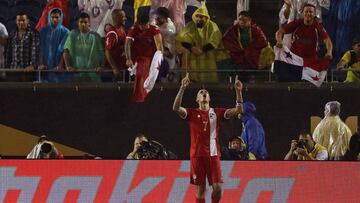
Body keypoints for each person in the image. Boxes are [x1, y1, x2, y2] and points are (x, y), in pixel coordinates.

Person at [173, 73, 244, 203]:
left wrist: (238, 92)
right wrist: (182, 88)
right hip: (197, 156)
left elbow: (238, 110)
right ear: (197, 99)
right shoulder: (191, 113)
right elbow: (176, 108)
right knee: (200, 191)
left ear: (209, 98)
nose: (204, 93)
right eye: (201, 92)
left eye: (206, 92)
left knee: (217, 189)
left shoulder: (217, 113)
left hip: (213, 155)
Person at [176, 2, 222, 83]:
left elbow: (215, 40)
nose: (198, 19)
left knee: (209, 79)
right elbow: (182, 39)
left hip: (208, 55)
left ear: (206, 17)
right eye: (197, 16)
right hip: (193, 55)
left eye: (201, 17)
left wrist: (202, 50)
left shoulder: (212, 26)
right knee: (193, 79)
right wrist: (192, 48)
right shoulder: (190, 25)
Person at [125, 12, 163, 102]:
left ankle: (147, 94)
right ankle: (139, 97)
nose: (145, 27)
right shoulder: (133, 29)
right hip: (138, 58)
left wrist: (158, 60)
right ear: (139, 24)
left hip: (151, 58)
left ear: (148, 22)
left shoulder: (154, 29)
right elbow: (127, 44)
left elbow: (159, 46)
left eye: (146, 24)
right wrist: (128, 59)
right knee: (140, 74)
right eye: (142, 25)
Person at [63, 12, 104, 82]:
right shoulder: (72, 34)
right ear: (77, 23)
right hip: (77, 73)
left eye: (85, 22)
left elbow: (103, 52)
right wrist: (68, 66)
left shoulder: (96, 36)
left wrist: (102, 66)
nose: (83, 24)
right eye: (81, 22)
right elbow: (65, 51)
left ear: (89, 23)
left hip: (93, 74)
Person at [5, 13, 40, 82]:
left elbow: (35, 50)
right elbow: (8, 52)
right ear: (16, 21)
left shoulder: (33, 33)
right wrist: (7, 68)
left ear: (28, 21)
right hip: (13, 70)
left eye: (23, 20)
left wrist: (32, 65)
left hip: (27, 71)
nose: (21, 22)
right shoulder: (12, 33)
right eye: (19, 20)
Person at [39, 8, 69, 83]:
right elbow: (40, 49)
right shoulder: (43, 30)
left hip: (58, 67)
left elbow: (64, 50)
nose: (55, 19)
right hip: (44, 67)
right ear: (49, 17)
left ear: (60, 18)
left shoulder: (66, 32)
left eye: (57, 17)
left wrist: (60, 65)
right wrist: (41, 63)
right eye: (52, 17)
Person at [104, 9, 127, 82]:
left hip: (122, 68)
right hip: (115, 71)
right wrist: (114, 68)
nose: (125, 18)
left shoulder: (121, 29)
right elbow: (107, 52)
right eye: (123, 17)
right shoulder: (112, 34)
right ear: (116, 18)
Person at [155, 7, 177, 82]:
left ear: (165, 18)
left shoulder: (169, 30)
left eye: (159, 17)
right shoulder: (160, 25)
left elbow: (169, 53)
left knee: (167, 84)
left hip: (169, 61)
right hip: (162, 58)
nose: (156, 19)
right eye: (156, 16)